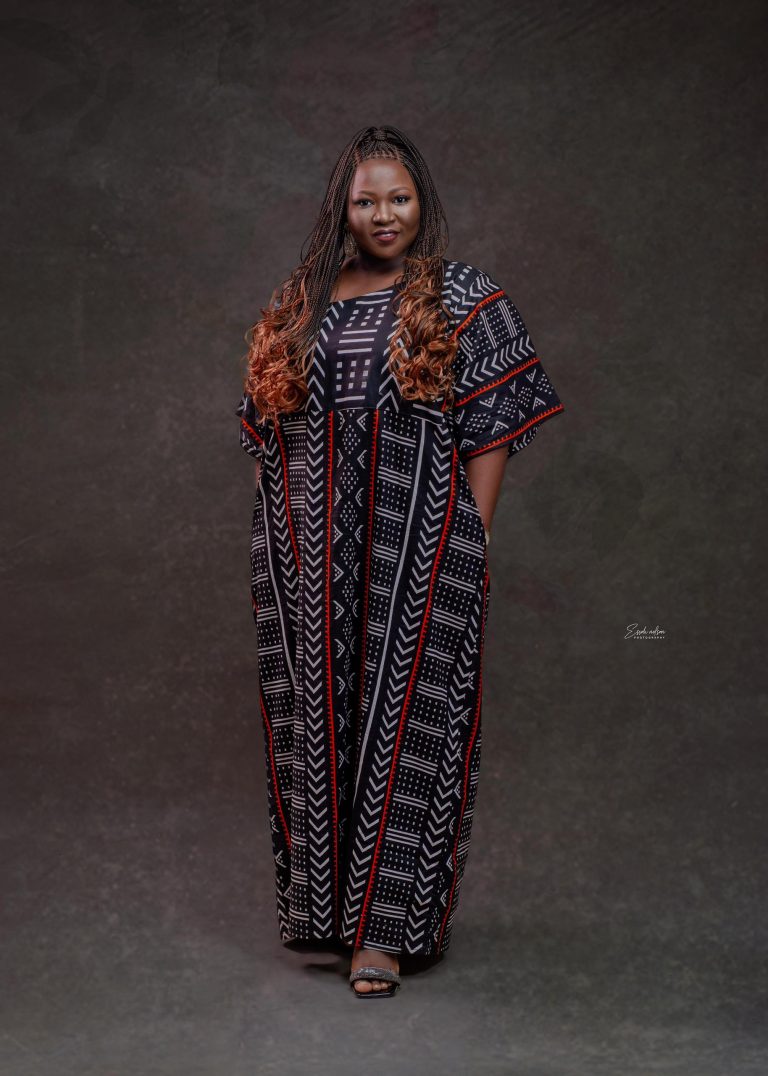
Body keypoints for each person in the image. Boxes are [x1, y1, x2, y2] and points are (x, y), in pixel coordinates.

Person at [235, 124, 565, 998]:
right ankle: (326, 915)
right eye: (366, 200)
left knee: (412, 724)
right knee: (316, 723)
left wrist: (470, 535)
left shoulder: (464, 299)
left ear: (423, 203)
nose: (385, 215)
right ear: (340, 210)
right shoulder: (300, 303)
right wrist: (279, 537)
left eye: (400, 197)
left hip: (420, 542)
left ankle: (384, 933)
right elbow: (267, 430)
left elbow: (492, 428)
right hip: (308, 557)